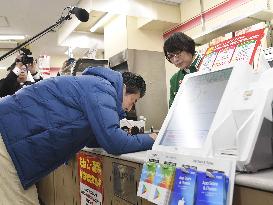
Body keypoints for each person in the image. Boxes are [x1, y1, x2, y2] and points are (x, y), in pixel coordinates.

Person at [0, 66, 157, 204]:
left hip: (12, 138)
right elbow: (114, 142)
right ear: (125, 89)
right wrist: (151, 139)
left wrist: (116, 135)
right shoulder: (103, 88)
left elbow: (95, 139)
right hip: (8, 138)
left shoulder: (94, 84)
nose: (130, 108)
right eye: (133, 101)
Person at [163, 32, 200, 107]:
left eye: (177, 53)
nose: (175, 59)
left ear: (188, 48)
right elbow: (173, 108)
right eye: (171, 56)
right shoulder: (174, 79)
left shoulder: (208, 64)